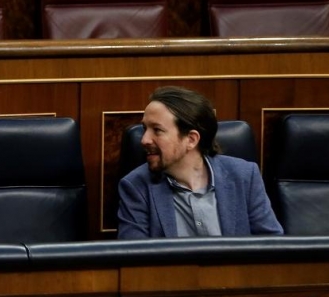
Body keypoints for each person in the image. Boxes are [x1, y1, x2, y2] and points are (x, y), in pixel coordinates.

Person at [117, 86, 283, 239]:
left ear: (191, 139)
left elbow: (271, 248)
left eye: (157, 130)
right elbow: (133, 262)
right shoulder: (136, 187)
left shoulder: (244, 176)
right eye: (145, 128)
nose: (144, 139)